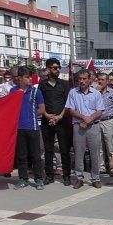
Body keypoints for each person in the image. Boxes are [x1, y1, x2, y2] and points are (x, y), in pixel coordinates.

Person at [65, 69, 105, 189]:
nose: (81, 81)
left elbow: (100, 111)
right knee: (78, 152)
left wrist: (89, 120)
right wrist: (83, 118)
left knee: (95, 152)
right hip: (79, 125)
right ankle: (79, 178)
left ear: (89, 79)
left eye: (84, 79)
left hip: (93, 125)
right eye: (79, 79)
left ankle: (95, 178)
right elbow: (71, 110)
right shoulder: (73, 92)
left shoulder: (96, 93)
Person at [10, 66, 46, 190]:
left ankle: (39, 179)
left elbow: (42, 109)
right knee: (21, 155)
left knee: (36, 155)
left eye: (30, 76)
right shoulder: (13, 91)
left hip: (33, 127)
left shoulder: (36, 91)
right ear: (19, 78)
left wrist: (30, 114)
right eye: (27, 77)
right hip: (19, 128)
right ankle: (22, 179)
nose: (30, 79)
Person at [39, 58, 72, 186]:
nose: (58, 70)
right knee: (48, 149)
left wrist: (59, 117)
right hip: (47, 121)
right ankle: (49, 175)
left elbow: (67, 103)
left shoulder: (64, 84)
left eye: (58, 67)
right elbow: (40, 103)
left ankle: (67, 175)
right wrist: (47, 116)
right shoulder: (42, 85)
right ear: (48, 70)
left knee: (64, 150)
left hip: (61, 121)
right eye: (54, 68)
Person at [96, 72, 113, 177]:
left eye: (102, 80)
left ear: (107, 81)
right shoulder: (94, 92)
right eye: (99, 79)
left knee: (109, 145)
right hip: (96, 120)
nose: (100, 81)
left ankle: (112, 166)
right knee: (99, 146)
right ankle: (101, 167)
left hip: (108, 120)